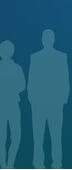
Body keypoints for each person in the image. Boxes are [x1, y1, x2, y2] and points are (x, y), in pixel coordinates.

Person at [28, 29, 69, 169]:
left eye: (49, 37)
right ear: (42, 40)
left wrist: (63, 99)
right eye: (45, 37)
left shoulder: (61, 57)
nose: (47, 40)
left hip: (55, 103)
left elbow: (65, 80)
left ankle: (57, 163)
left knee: (55, 135)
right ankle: (39, 163)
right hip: (39, 103)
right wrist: (32, 98)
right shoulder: (35, 57)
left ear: (52, 39)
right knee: (38, 136)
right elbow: (31, 80)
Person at [0, 40, 26, 169]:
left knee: (16, 136)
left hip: (13, 104)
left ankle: (9, 165)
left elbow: (22, 85)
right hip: (2, 104)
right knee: (2, 136)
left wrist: (9, 89)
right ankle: (3, 165)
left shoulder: (17, 68)